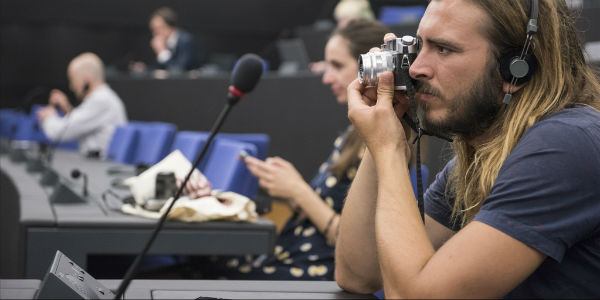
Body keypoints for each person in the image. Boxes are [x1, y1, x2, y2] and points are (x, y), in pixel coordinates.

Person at [335, 0, 600, 298]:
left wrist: (389, 150)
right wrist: (389, 130)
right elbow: (359, 274)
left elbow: (416, 296)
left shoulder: (565, 145)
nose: (418, 68)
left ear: (515, 69)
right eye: (421, 46)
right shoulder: (489, 153)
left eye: (444, 49)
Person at [195, 19, 389, 281]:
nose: (326, 77)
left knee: (200, 267)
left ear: (371, 70)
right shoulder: (352, 135)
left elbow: (360, 252)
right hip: (295, 253)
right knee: (200, 259)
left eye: (337, 65)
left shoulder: (384, 142)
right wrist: (286, 190)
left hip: (319, 269)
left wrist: (298, 190)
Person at [37, 52, 128, 158]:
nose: (71, 87)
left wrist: (49, 116)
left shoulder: (100, 100)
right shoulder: (102, 97)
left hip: (99, 166)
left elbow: (59, 133)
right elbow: (79, 124)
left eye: (73, 80)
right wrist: (68, 110)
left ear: (86, 81)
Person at [147, 7, 202, 72]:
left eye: (158, 28)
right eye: (153, 29)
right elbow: (160, 68)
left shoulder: (186, 40)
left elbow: (178, 70)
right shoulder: (162, 42)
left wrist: (162, 52)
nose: (155, 33)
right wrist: (145, 68)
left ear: (170, 26)